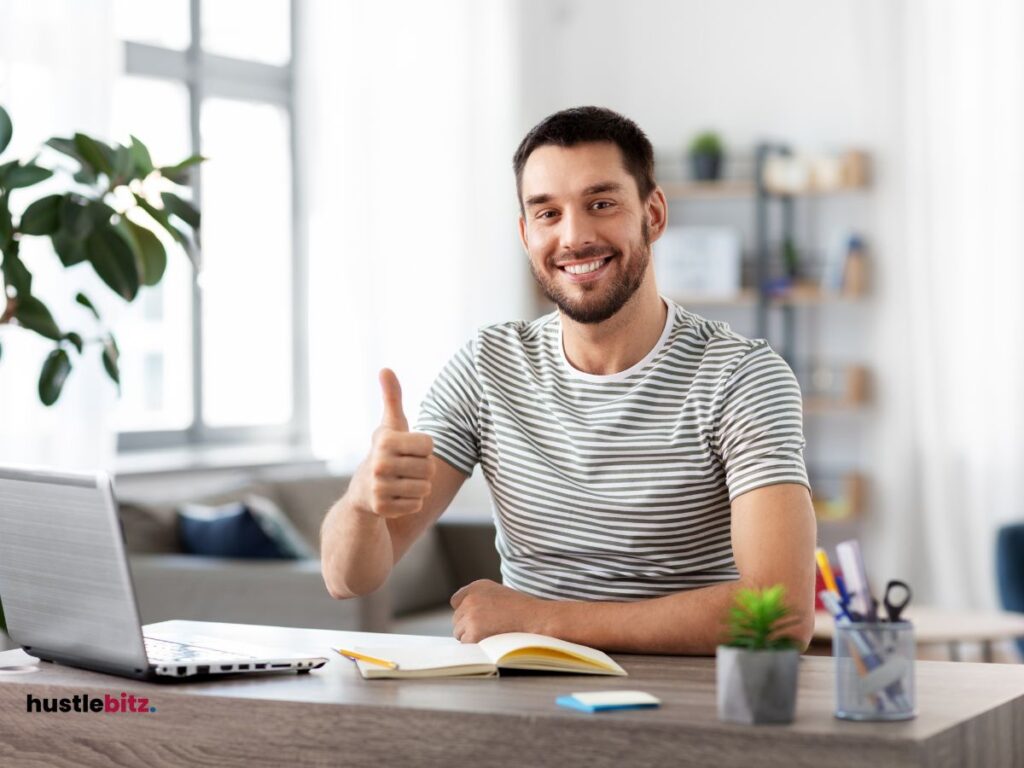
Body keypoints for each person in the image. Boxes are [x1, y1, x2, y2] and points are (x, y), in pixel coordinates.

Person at [320, 106, 816, 655]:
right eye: (548, 213)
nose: (574, 237)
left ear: (653, 214)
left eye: (600, 204)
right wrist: (362, 502)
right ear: (525, 232)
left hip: (689, 708)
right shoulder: (488, 367)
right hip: (522, 702)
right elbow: (348, 580)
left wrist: (543, 620)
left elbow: (781, 616)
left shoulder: (742, 376)